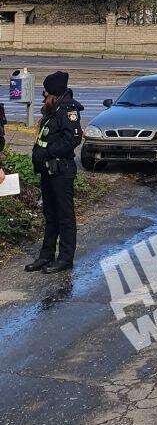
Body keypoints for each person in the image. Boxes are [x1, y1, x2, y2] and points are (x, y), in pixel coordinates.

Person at [26, 70, 83, 274]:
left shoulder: (68, 110)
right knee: (50, 215)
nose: (43, 96)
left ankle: (65, 258)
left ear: (54, 93)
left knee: (65, 216)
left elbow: (72, 139)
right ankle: (46, 255)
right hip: (48, 171)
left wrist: (48, 153)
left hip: (61, 171)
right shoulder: (53, 110)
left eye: (45, 93)